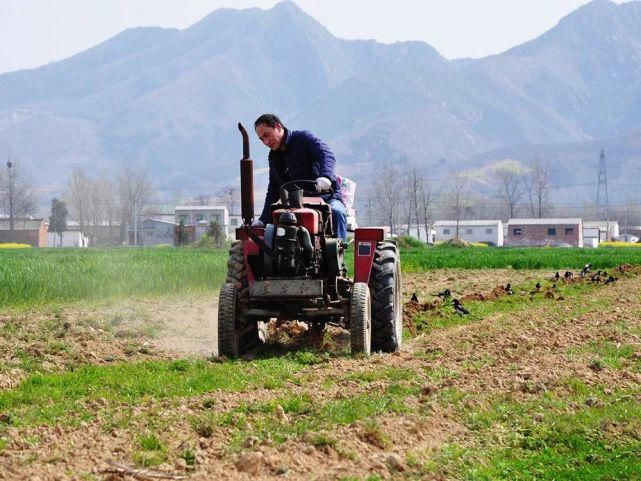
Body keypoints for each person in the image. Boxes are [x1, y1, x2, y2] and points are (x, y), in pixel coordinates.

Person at [252, 113, 347, 240]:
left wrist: (325, 177)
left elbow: (326, 154)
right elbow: (273, 189)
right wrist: (263, 220)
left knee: (337, 212)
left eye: (267, 135)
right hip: (295, 204)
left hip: (325, 199)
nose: (266, 142)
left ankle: (338, 251)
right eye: (262, 139)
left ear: (278, 126)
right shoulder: (274, 157)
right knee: (276, 223)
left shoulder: (303, 139)